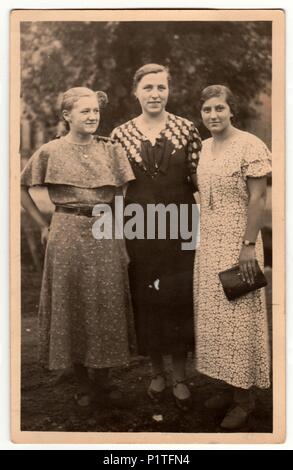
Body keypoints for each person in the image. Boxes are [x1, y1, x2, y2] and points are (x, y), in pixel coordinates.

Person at [21, 87, 136, 407]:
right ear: (67, 116)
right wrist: (44, 224)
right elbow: (19, 187)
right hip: (66, 232)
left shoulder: (112, 150)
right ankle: (82, 381)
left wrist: (118, 234)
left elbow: (118, 196)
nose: (92, 116)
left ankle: (104, 379)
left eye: (95, 111)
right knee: (72, 301)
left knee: (105, 300)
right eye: (84, 111)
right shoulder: (50, 151)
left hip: (104, 230)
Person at [111, 64, 201, 409]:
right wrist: (117, 234)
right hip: (139, 229)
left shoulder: (186, 129)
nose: (155, 94)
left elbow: (199, 183)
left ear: (169, 91)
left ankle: (179, 375)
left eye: (161, 88)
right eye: (148, 87)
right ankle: (157, 373)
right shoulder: (121, 134)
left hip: (180, 227)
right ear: (136, 91)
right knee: (146, 299)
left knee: (177, 299)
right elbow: (117, 189)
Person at [194, 84, 271, 429]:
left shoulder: (250, 145)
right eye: (207, 109)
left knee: (240, 318)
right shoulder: (204, 147)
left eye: (219, 109)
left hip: (241, 240)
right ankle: (228, 385)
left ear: (231, 110)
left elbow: (257, 200)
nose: (213, 115)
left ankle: (245, 398)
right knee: (217, 319)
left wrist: (248, 246)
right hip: (209, 241)